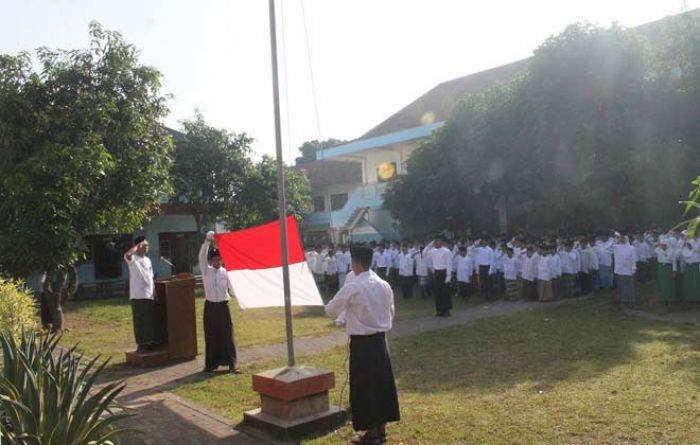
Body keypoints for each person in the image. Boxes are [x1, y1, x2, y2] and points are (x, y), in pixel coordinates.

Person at [325, 246, 400, 444]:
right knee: (381, 386)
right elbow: (391, 312)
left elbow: (332, 309)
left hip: (363, 344)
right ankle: (380, 429)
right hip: (380, 341)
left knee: (366, 388)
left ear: (355, 262)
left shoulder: (355, 285)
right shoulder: (384, 284)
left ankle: (372, 433)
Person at [199, 232, 239, 373]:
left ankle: (232, 364)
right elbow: (202, 256)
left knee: (227, 334)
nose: (217, 261)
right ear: (211, 261)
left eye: (219, 259)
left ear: (222, 260)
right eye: (215, 259)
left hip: (223, 306)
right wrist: (207, 242)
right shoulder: (206, 271)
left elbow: (232, 290)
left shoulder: (225, 272)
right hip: (210, 306)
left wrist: (240, 300)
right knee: (211, 335)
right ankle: (210, 365)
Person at [124, 236, 160, 353]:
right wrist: (136, 246)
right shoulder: (133, 258)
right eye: (144, 245)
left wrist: (154, 291)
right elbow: (127, 255)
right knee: (140, 321)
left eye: (147, 246)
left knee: (149, 320)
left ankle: (149, 342)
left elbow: (151, 276)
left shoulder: (148, 260)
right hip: (137, 295)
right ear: (138, 246)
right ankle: (141, 344)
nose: (147, 248)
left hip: (148, 294)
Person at [423, 237, 453, 316]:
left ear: (442, 242)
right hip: (437, 273)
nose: (436, 243)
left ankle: (446, 311)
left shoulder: (446, 251)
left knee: (445, 293)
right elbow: (424, 253)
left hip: (444, 272)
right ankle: (439, 310)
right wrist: (430, 245)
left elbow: (449, 264)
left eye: (438, 241)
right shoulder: (433, 251)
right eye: (435, 241)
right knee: (437, 292)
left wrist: (448, 276)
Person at [613, 234, 637, 304]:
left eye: (623, 238)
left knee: (628, 286)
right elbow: (611, 245)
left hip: (628, 271)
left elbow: (633, 260)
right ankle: (621, 300)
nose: (622, 240)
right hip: (619, 270)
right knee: (620, 286)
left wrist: (633, 269)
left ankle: (630, 300)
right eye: (621, 238)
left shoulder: (631, 248)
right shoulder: (616, 247)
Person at [680, 236, 700, 302]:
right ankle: (689, 299)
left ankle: (697, 299)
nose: (688, 245)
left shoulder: (698, 242)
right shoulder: (685, 246)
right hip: (688, 266)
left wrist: (693, 249)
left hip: (696, 266)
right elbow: (681, 255)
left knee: (696, 282)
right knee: (688, 283)